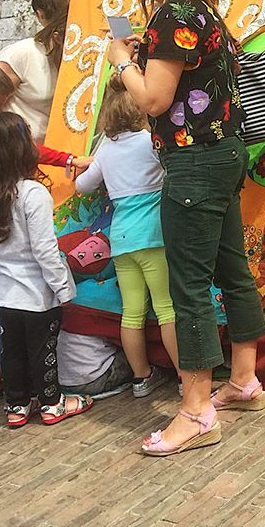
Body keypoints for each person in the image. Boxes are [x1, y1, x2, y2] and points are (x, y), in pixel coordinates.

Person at [108, 0, 265, 456]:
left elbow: (152, 99)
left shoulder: (175, 13)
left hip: (195, 163)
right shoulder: (198, 10)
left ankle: (196, 410)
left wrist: (122, 60)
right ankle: (243, 381)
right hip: (223, 155)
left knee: (189, 285)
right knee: (231, 267)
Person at [0, 56, 89, 416]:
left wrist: (67, 159)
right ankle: (33, 397)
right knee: (0, 322)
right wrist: (63, 289)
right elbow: (44, 250)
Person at [0, 111, 93, 427]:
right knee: (43, 349)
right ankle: (52, 403)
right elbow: (45, 250)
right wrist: (63, 288)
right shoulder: (32, 193)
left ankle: (17, 405)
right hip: (38, 294)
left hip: (2, 293)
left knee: (12, 349)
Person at [75, 75, 179, 397]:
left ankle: (141, 377)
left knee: (131, 312)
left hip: (121, 241)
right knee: (166, 309)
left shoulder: (106, 150)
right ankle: (185, 377)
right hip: (153, 238)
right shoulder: (151, 143)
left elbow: (82, 187)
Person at [0, 0, 69, 144]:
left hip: (57, 147)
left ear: (39, 14)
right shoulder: (22, 53)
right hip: (19, 147)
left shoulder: (74, 56)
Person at [58, 330, 134, 400]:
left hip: (64, 382)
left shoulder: (64, 318)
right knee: (136, 352)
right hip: (94, 381)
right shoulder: (99, 318)